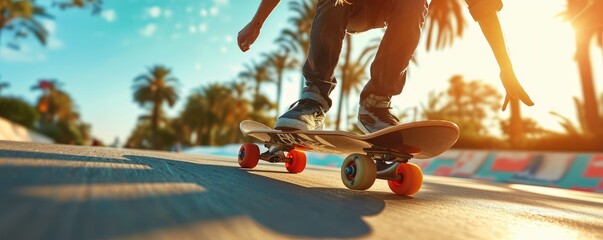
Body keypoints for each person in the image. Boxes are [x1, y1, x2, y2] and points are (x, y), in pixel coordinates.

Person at [237, 0, 533, 133]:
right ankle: (314, 96)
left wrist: (506, 68)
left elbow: (484, 9)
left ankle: (376, 102)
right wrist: (257, 22)